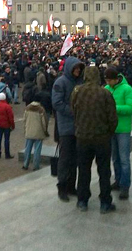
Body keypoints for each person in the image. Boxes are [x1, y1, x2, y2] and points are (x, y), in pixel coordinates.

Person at [71, 66, 118, 213]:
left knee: (83, 170)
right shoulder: (105, 93)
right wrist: (109, 132)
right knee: (104, 171)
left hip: (83, 137)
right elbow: (112, 117)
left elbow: (74, 111)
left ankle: (82, 200)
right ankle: (105, 202)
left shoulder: (77, 91)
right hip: (102, 138)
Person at [52, 56, 85, 202]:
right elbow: (57, 103)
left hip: (79, 126)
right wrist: (74, 111)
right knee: (65, 159)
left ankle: (72, 186)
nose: (78, 70)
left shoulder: (80, 82)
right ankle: (62, 187)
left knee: (75, 159)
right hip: (65, 127)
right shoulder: (60, 82)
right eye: (76, 68)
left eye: (79, 68)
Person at [103, 67, 132, 200]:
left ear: (116, 79)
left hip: (123, 129)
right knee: (115, 158)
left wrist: (114, 109)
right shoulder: (106, 88)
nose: (108, 82)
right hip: (111, 129)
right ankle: (117, 180)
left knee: (124, 159)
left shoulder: (127, 89)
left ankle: (125, 186)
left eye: (109, 80)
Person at [22, 101, 48, 171]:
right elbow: (44, 123)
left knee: (27, 148)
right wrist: (45, 131)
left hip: (29, 131)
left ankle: (25, 164)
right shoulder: (41, 110)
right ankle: (36, 165)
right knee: (37, 150)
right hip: (38, 132)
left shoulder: (27, 109)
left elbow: (24, 120)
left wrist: (25, 129)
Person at [0, 92, 15, 159]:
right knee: (6, 140)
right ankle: (7, 154)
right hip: (6, 125)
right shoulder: (7, 106)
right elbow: (11, 117)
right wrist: (12, 125)